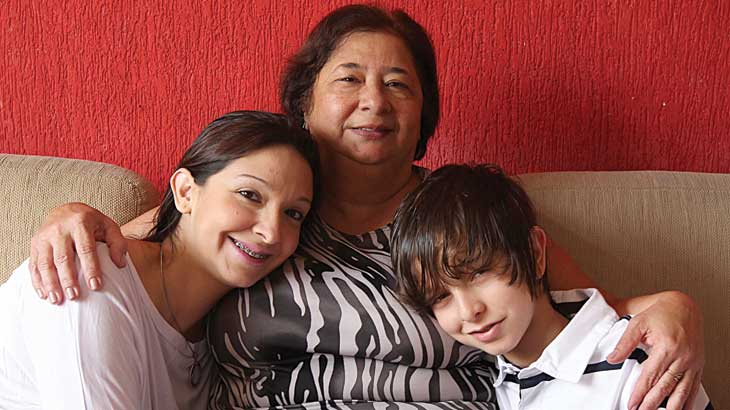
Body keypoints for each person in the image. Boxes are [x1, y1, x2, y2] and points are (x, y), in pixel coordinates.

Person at [27, 5, 704, 410]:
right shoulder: (262, 213)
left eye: (398, 86)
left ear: (423, 114)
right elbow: (144, 247)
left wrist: (675, 305)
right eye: (349, 80)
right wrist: (71, 213)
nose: (374, 102)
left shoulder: (460, 218)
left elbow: (590, 317)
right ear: (304, 102)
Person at [0, 111, 318, 409]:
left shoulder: (229, 335)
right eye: (249, 195)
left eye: (293, 213)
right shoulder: (88, 280)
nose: (272, 233)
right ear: (185, 191)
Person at [391, 163, 712, 410]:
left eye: (478, 273)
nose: (469, 310)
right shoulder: (490, 382)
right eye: (440, 296)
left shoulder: (635, 362)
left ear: (535, 253)